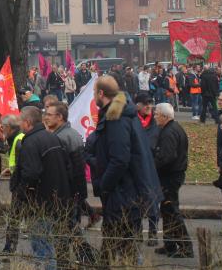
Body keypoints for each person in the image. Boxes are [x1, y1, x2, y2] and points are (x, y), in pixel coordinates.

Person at [85, 75, 161, 266]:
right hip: (128, 191)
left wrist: (105, 185)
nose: (94, 97)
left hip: (123, 193)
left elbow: (119, 159)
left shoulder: (116, 119)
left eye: (94, 92)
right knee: (123, 245)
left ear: (101, 93)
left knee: (118, 245)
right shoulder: (124, 114)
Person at [12, 106, 71, 270]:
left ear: (28, 122)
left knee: (41, 246)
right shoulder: (51, 137)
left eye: (20, 121)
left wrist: (21, 193)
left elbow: (31, 173)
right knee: (47, 243)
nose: (19, 125)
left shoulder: (31, 142)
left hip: (40, 201)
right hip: (55, 197)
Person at [43, 101, 95, 266]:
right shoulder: (70, 133)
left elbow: (64, 170)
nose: (46, 117)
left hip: (65, 193)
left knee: (65, 230)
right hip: (74, 191)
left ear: (59, 117)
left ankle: (72, 261)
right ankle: (86, 259)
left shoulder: (60, 137)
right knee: (70, 228)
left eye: (49, 115)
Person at [152, 103, 193, 258]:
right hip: (172, 174)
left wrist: (152, 165)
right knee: (167, 210)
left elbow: (167, 157)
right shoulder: (173, 128)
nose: (155, 117)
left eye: (156, 114)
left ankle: (186, 246)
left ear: (164, 116)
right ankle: (169, 244)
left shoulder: (169, 132)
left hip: (170, 176)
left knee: (171, 210)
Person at [135, 92, 160, 244]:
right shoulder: (133, 122)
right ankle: (137, 232)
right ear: (137, 105)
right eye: (145, 103)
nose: (148, 106)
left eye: (150, 103)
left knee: (152, 203)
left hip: (152, 170)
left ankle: (153, 232)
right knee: (136, 204)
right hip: (137, 169)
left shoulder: (155, 124)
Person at [0, 113, 24, 255]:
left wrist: (14, 171)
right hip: (19, 182)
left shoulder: (18, 140)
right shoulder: (15, 138)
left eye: (3, 127)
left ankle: (9, 247)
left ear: (8, 127)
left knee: (15, 217)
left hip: (21, 185)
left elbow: (24, 164)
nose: (2, 129)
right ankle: (9, 246)